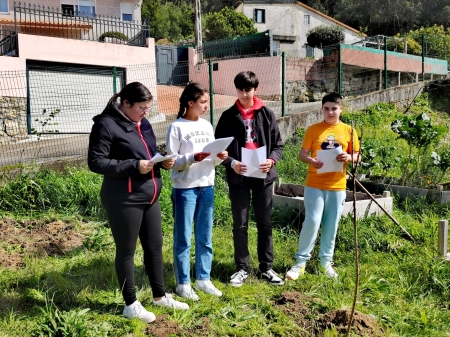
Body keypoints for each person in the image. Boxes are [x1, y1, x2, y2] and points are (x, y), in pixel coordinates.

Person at [88, 82, 189, 324]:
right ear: (126, 104)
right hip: (124, 198)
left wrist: (161, 161)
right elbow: (96, 162)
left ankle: (159, 296)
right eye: (142, 108)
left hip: (149, 195)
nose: (146, 113)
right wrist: (134, 166)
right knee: (127, 252)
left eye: (148, 108)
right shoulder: (105, 124)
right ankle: (130, 304)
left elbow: (146, 152)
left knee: (154, 247)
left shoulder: (142, 123)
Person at [215, 71, 284, 287]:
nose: (244, 94)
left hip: (263, 177)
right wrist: (232, 162)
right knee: (240, 224)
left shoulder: (267, 114)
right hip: (239, 178)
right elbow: (219, 148)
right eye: (240, 90)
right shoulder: (228, 116)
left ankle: (266, 267)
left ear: (256, 89)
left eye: (248, 89)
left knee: (265, 223)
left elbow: (278, 145)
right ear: (236, 90)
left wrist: (271, 161)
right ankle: (242, 268)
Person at [285, 92, 360, 280]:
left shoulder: (349, 131)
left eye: (334, 108)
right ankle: (300, 262)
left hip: (337, 184)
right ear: (322, 109)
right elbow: (302, 154)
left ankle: (326, 262)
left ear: (341, 109)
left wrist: (349, 157)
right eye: (326, 108)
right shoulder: (313, 129)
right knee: (312, 220)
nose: (330, 112)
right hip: (315, 183)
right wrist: (311, 160)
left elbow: (358, 155)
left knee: (331, 223)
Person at [166, 82, 227, 301]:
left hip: (207, 186)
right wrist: (192, 158)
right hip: (185, 189)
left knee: (205, 235)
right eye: (202, 102)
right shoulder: (176, 127)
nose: (205, 106)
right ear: (190, 103)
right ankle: (183, 283)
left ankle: (203, 279)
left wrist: (218, 158)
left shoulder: (207, 126)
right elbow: (171, 161)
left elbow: (211, 160)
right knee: (183, 237)